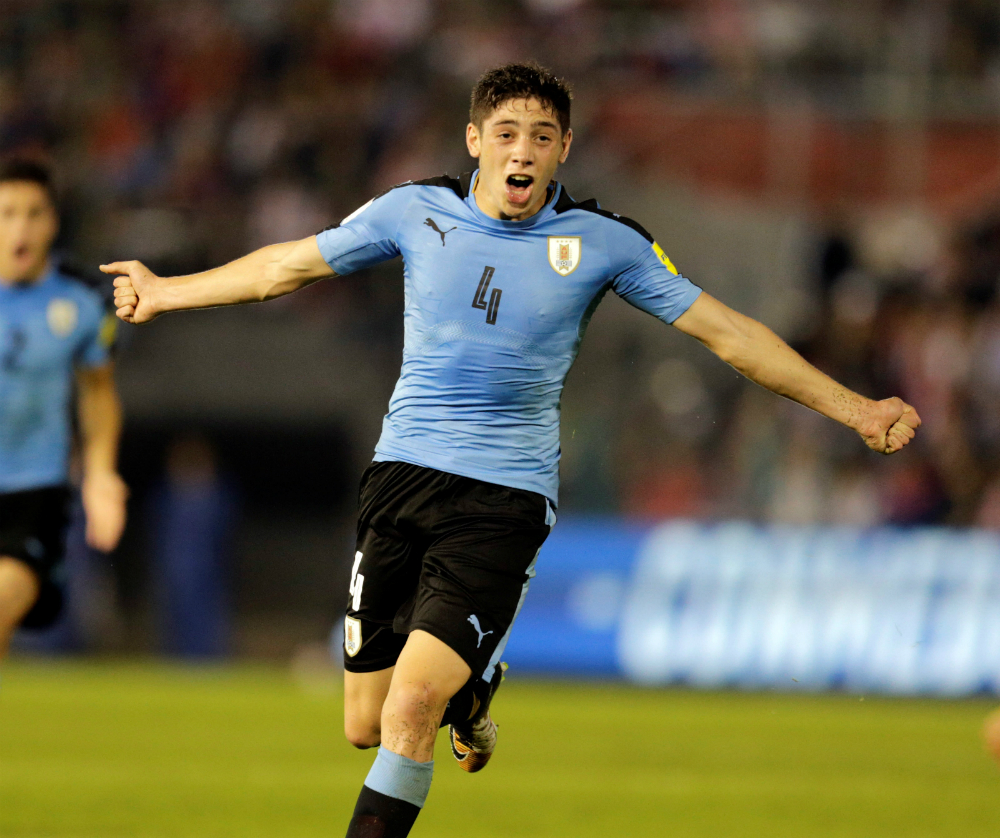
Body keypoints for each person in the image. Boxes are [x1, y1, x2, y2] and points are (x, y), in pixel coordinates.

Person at [105, 63, 921, 838]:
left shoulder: (606, 243)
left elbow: (730, 335)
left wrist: (854, 409)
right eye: (505, 132)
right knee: (364, 723)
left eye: (540, 134)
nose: (522, 149)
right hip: (399, 482)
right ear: (473, 141)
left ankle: (450, 694)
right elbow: (285, 267)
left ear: (564, 148)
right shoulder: (412, 211)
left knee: (409, 708)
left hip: (502, 498)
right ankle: (477, 690)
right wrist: (166, 291)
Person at [0, 159, 126, 659]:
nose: (21, 228)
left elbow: (98, 391)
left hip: (34, 496)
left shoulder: (81, 299)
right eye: (7, 213)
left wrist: (100, 474)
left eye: (34, 213)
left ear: (52, 222)